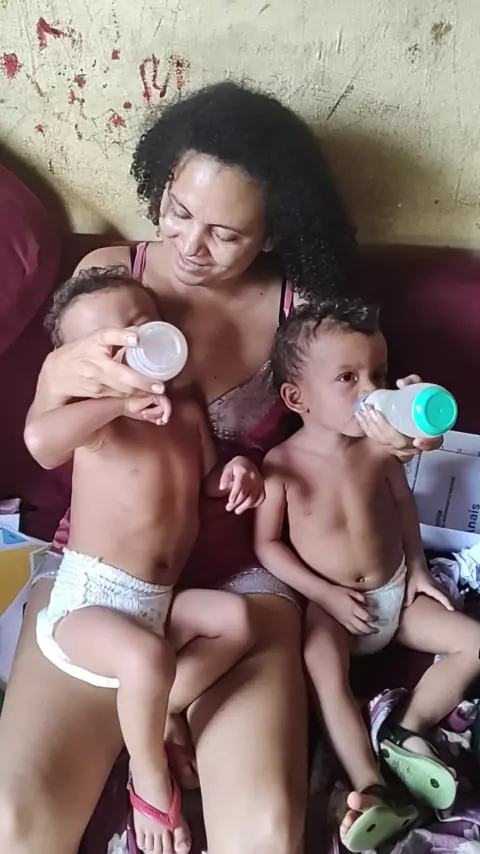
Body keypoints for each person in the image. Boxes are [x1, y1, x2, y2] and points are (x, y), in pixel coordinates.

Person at [0, 81, 440, 854]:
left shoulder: (304, 311)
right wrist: (71, 378)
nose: (189, 246)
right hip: (103, 573)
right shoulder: (112, 279)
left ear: (273, 233)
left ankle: (165, 714)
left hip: (243, 583)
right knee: (16, 822)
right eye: (177, 211)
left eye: (226, 233)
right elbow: (48, 420)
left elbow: (355, 419)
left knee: (263, 834)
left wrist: (394, 437)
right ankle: (155, 730)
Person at [25, 267, 265, 854]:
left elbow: (205, 481)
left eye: (140, 327)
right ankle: (148, 774)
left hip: (155, 606)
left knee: (237, 621)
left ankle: (161, 708)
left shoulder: (187, 412)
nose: (132, 347)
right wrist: (115, 402)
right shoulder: (97, 424)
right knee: (146, 658)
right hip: (87, 603)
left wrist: (236, 473)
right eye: (111, 346)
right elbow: (41, 443)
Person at [255, 298, 480, 852]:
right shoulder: (281, 464)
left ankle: (406, 731)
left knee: (474, 642)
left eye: (377, 374)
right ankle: (370, 786)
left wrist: (419, 570)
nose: (370, 390)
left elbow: (403, 505)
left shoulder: (378, 450)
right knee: (321, 671)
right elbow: (266, 545)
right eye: (348, 378)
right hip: (335, 609)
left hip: (397, 594)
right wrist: (325, 595)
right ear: (297, 398)